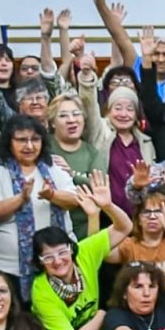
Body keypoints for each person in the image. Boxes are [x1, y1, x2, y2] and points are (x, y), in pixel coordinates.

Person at [29, 171, 132, 330]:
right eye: (48, 257)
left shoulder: (84, 252)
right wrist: (101, 314)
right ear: (40, 262)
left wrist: (107, 206)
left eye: (62, 252)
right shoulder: (41, 290)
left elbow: (125, 227)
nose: (58, 261)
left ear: (71, 249)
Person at [0, 115, 79, 296]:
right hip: (8, 267)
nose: (29, 146)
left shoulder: (53, 167)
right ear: (9, 142)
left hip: (55, 262)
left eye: (35, 139)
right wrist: (21, 198)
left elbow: (75, 200)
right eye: (21, 140)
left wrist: (52, 195)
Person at [78, 58, 157, 215]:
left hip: (140, 216)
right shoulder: (99, 131)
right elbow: (89, 105)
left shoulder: (145, 142)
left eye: (130, 109)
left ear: (136, 115)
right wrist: (87, 78)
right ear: (108, 111)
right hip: (106, 214)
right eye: (118, 108)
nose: (123, 114)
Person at [107, 189, 165, 290]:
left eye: (158, 212)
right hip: (140, 299)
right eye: (146, 212)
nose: (152, 216)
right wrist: (105, 209)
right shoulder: (129, 244)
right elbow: (104, 255)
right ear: (138, 219)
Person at [48, 93, 106, 240]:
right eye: (63, 116)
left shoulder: (92, 153)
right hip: (49, 228)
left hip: (85, 227)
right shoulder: (44, 146)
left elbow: (99, 189)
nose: (71, 120)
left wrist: (72, 174)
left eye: (76, 114)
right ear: (52, 122)